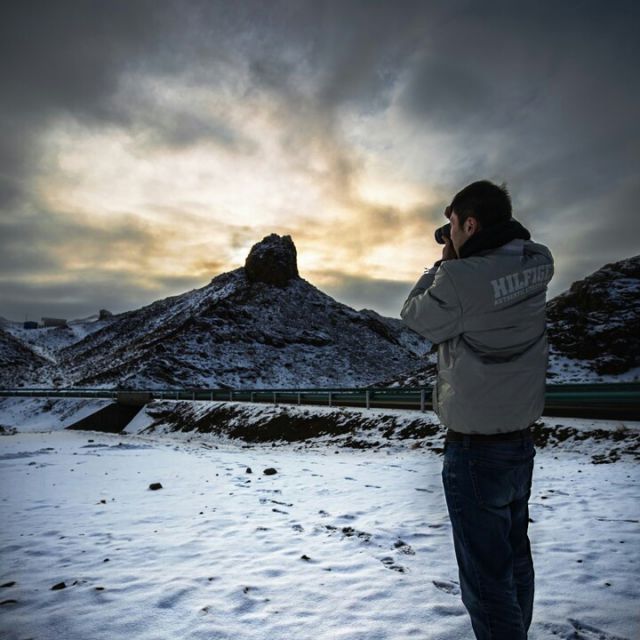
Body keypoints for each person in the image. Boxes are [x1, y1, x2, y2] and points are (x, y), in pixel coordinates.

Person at [400, 180, 554, 640]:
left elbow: (414, 315)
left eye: (452, 225)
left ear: (470, 224)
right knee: (515, 558)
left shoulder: (458, 279)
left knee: (485, 579)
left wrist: (441, 264)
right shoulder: (538, 261)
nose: (448, 234)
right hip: (519, 444)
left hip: (474, 452)